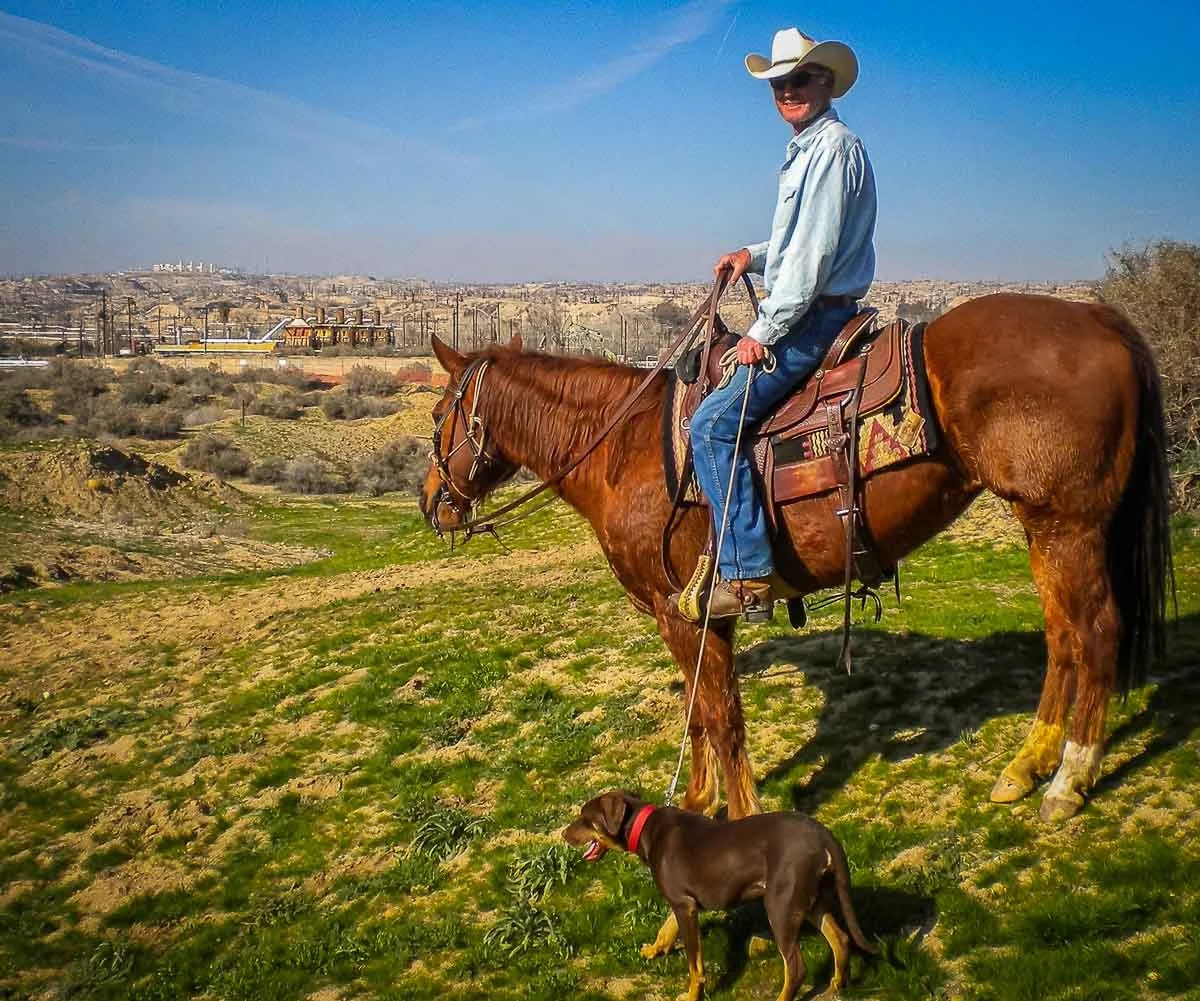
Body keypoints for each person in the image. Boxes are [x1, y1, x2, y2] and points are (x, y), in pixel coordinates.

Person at [682, 27, 877, 622]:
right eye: (778, 84)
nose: (787, 91)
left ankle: (747, 576)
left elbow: (814, 258)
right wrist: (752, 254)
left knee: (712, 424)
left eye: (799, 79)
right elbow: (795, 243)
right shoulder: (809, 149)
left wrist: (761, 333)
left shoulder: (830, 149)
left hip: (813, 318)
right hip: (810, 308)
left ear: (825, 81)